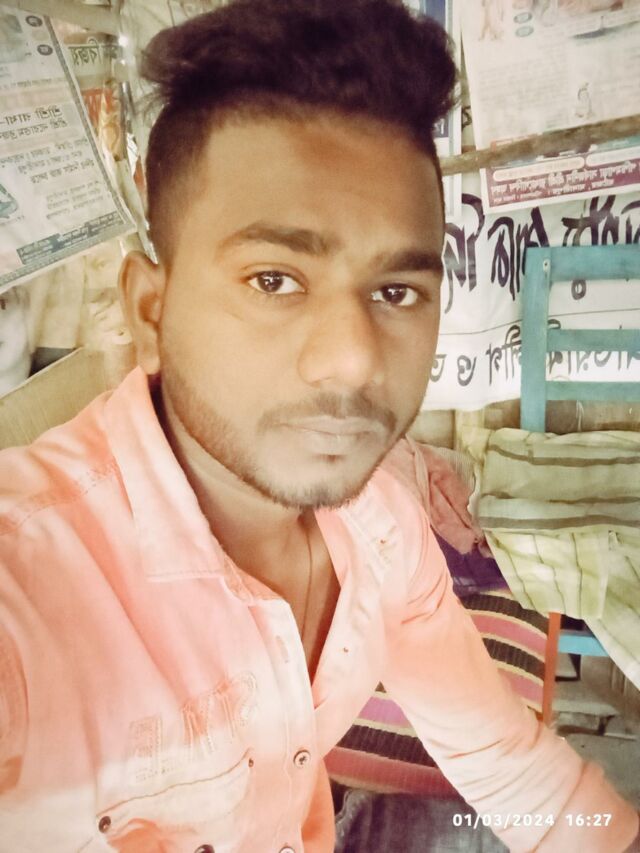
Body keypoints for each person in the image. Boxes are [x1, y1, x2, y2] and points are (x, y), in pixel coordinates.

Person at [0, 1, 638, 851]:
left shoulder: (382, 530)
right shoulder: (29, 586)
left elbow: (508, 766)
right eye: (275, 280)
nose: (353, 361)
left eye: (395, 291)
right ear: (150, 310)